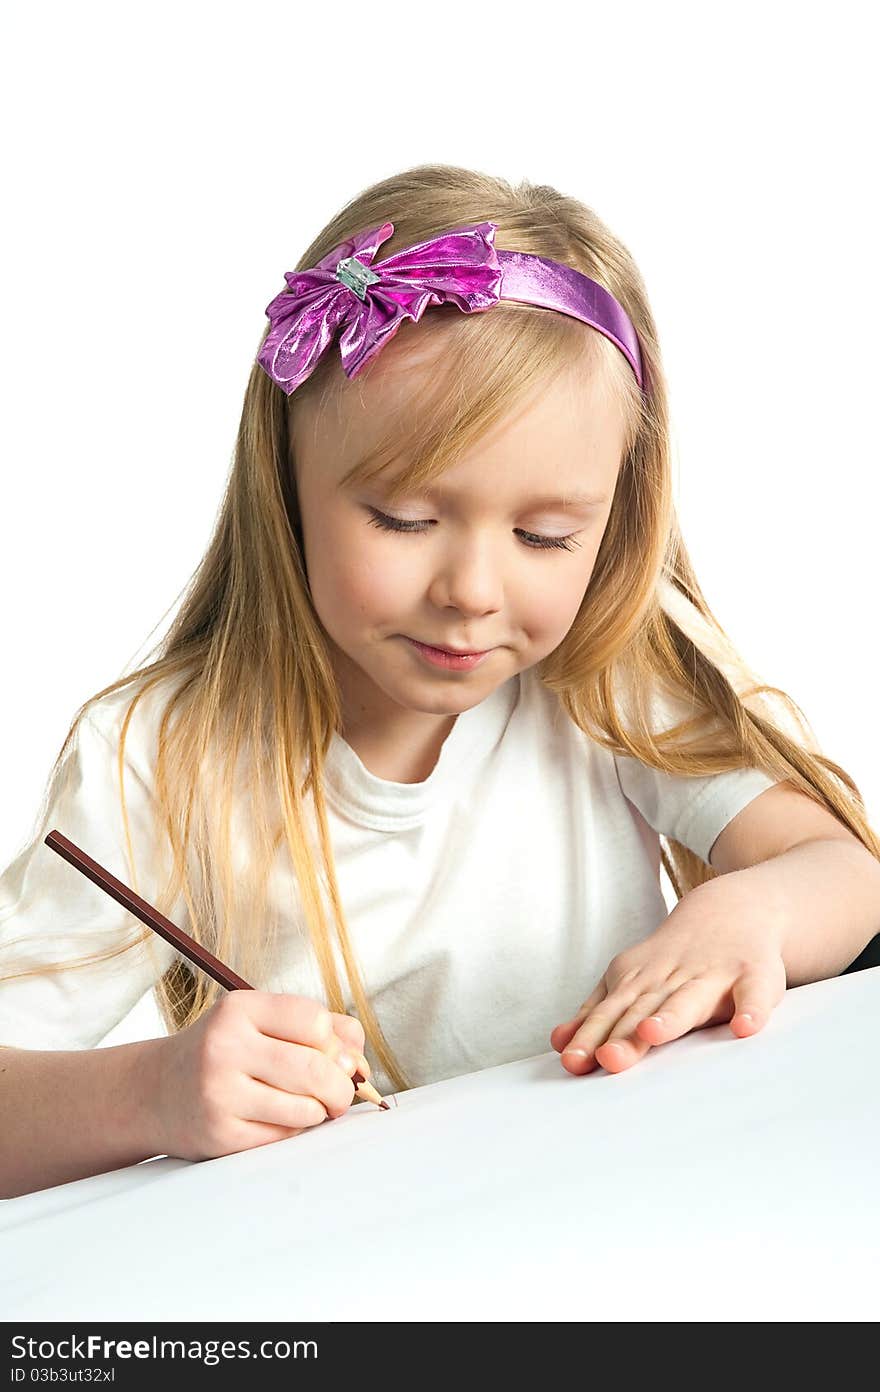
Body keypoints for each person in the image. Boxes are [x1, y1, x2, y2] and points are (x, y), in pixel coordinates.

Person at [2, 163, 879, 1201]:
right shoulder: (158, 754)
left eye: (545, 535)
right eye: (404, 521)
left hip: (635, 1216)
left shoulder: (603, 665)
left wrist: (756, 912)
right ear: (285, 489)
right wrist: (151, 1093)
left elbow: (846, 874)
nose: (470, 590)